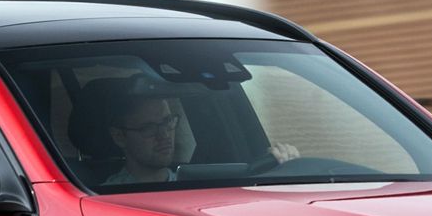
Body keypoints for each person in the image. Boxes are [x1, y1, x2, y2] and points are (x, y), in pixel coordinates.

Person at [99, 74, 299, 187]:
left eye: (168, 121)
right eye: (149, 128)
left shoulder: (201, 182)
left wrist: (285, 169)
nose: (164, 134)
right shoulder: (105, 197)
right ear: (119, 136)